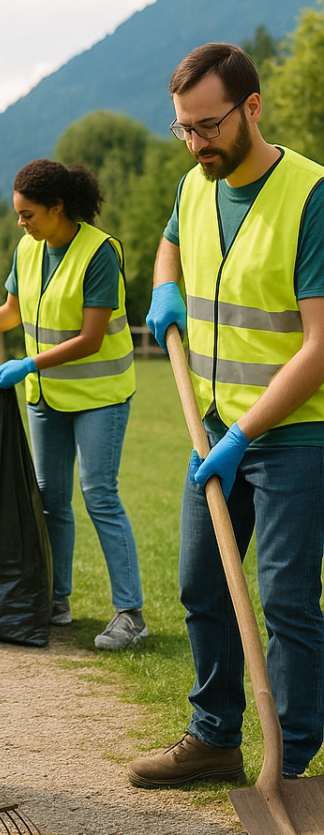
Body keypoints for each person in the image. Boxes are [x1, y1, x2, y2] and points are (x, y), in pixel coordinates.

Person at [128, 42, 324, 787]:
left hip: (293, 436)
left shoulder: (311, 197)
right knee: (202, 587)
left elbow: (320, 346)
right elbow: (171, 242)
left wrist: (245, 433)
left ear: (253, 107)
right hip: (209, 427)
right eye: (184, 128)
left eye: (208, 126)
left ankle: (291, 763)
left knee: (287, 602)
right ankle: (213, 738)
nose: (196, 143)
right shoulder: (194, 185)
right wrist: (164, 285)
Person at [0, 158, 146, 650]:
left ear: (57, 207)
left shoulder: (99, 253)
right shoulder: (28, 249)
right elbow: (12, 311)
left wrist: (28, 364)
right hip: (47, 398)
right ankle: (55, 599)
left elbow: (92, 338)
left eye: (28, 214)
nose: (20, 222)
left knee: (99, 494)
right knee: (50, 500)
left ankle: (130, 614)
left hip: (99, 396)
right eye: (18, 213)